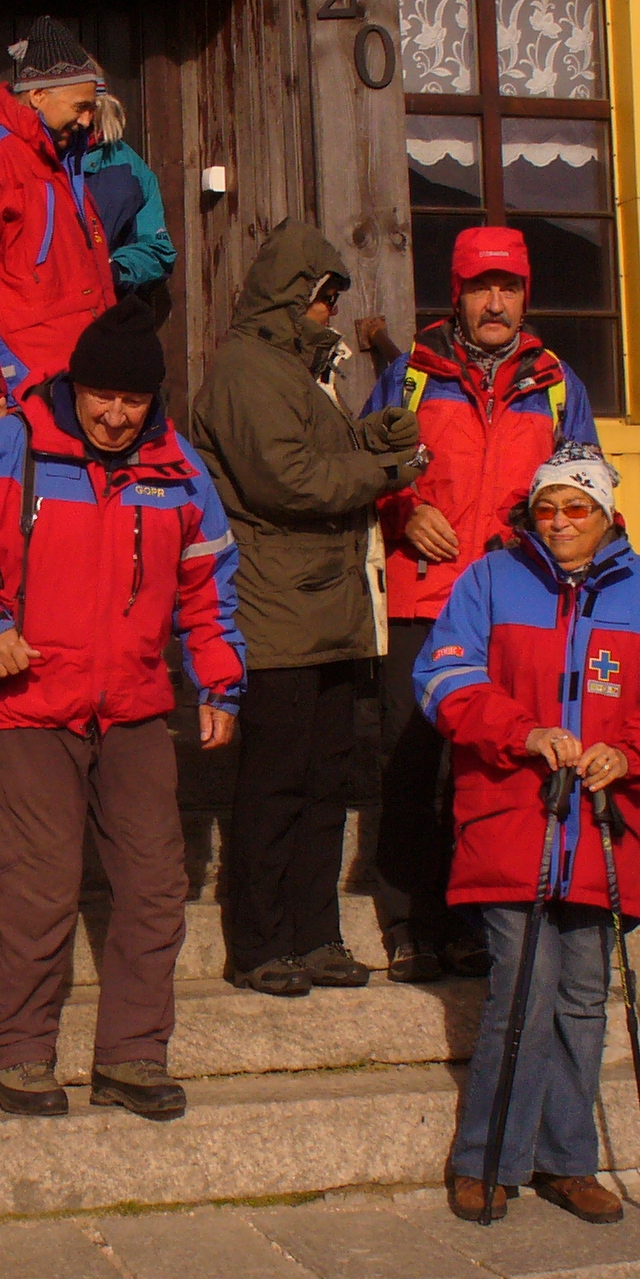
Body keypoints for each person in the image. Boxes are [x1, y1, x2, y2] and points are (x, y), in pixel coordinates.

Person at [0, 299, 245, 1122]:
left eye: (133, 400)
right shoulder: (13, 444)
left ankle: (133, 1054)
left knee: (156, 888)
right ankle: (19, 1051)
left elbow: (209, 586)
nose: (116, 415)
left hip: (134, 708)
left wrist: (219, 680)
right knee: (41, 888)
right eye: (102, 396)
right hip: (32, 705)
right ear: (76, 387)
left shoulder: (179, 468)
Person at [414, 444, 640, 1223]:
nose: (559, 523)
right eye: (546, 509)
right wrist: (522, 731)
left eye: (576, 508)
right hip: (513, 817)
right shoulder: (490, 578)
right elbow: (442, 676)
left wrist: (633, 750)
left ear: (606, 514)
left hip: (602, 826)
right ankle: (487, 1160)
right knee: (522, 987)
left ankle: (567, 1160)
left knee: (583, 996)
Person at [189, 221, 422, 996]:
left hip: (327, 608)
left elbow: (316, 455)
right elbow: (287, 481)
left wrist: (369, 436)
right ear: (295, 296)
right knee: (277, 784)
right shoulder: (246, 370)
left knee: (326, 784)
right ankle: (260, 944)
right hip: (278, 612)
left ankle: (315, 934)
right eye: (326, 299)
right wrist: (386, 469)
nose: (332, 313)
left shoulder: (296, 369)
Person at [366, 225, 599, 983]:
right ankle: (409, 924)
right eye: (480, 288)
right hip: (423, 598)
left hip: (513, 605)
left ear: (526, 297)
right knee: (411, 763)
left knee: (485, 768)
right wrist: (403, 510)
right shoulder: (411, 374)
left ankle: (471, 923)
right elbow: (362, 463)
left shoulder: (557, 382)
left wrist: (535, 532)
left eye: (508, 288)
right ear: (457, 295)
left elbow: (587, 486)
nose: (494, 303)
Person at [0, 16, 116, 425]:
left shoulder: (62, 159)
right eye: (80, 107)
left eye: (91, 108)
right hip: (23, 383)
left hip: (79, 377)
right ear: (38, 95)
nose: (87, 120)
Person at [84, 87, 176, 310]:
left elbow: (158, 250)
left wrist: (114, 269)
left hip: (102, 307)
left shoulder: (129, 169)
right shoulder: (22, 158)